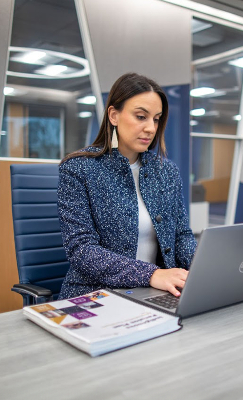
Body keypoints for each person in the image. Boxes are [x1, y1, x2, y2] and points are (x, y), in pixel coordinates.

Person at [57, 72, 196, 299]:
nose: (151, 128)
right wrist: (152, 274)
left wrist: (204, 268)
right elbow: (82, 250)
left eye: (156, 119)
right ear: (114, 115)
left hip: (153, 293)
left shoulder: (166, 171)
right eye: (141, 116)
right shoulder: (78, 169)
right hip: (95, 295)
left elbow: (181, 235)